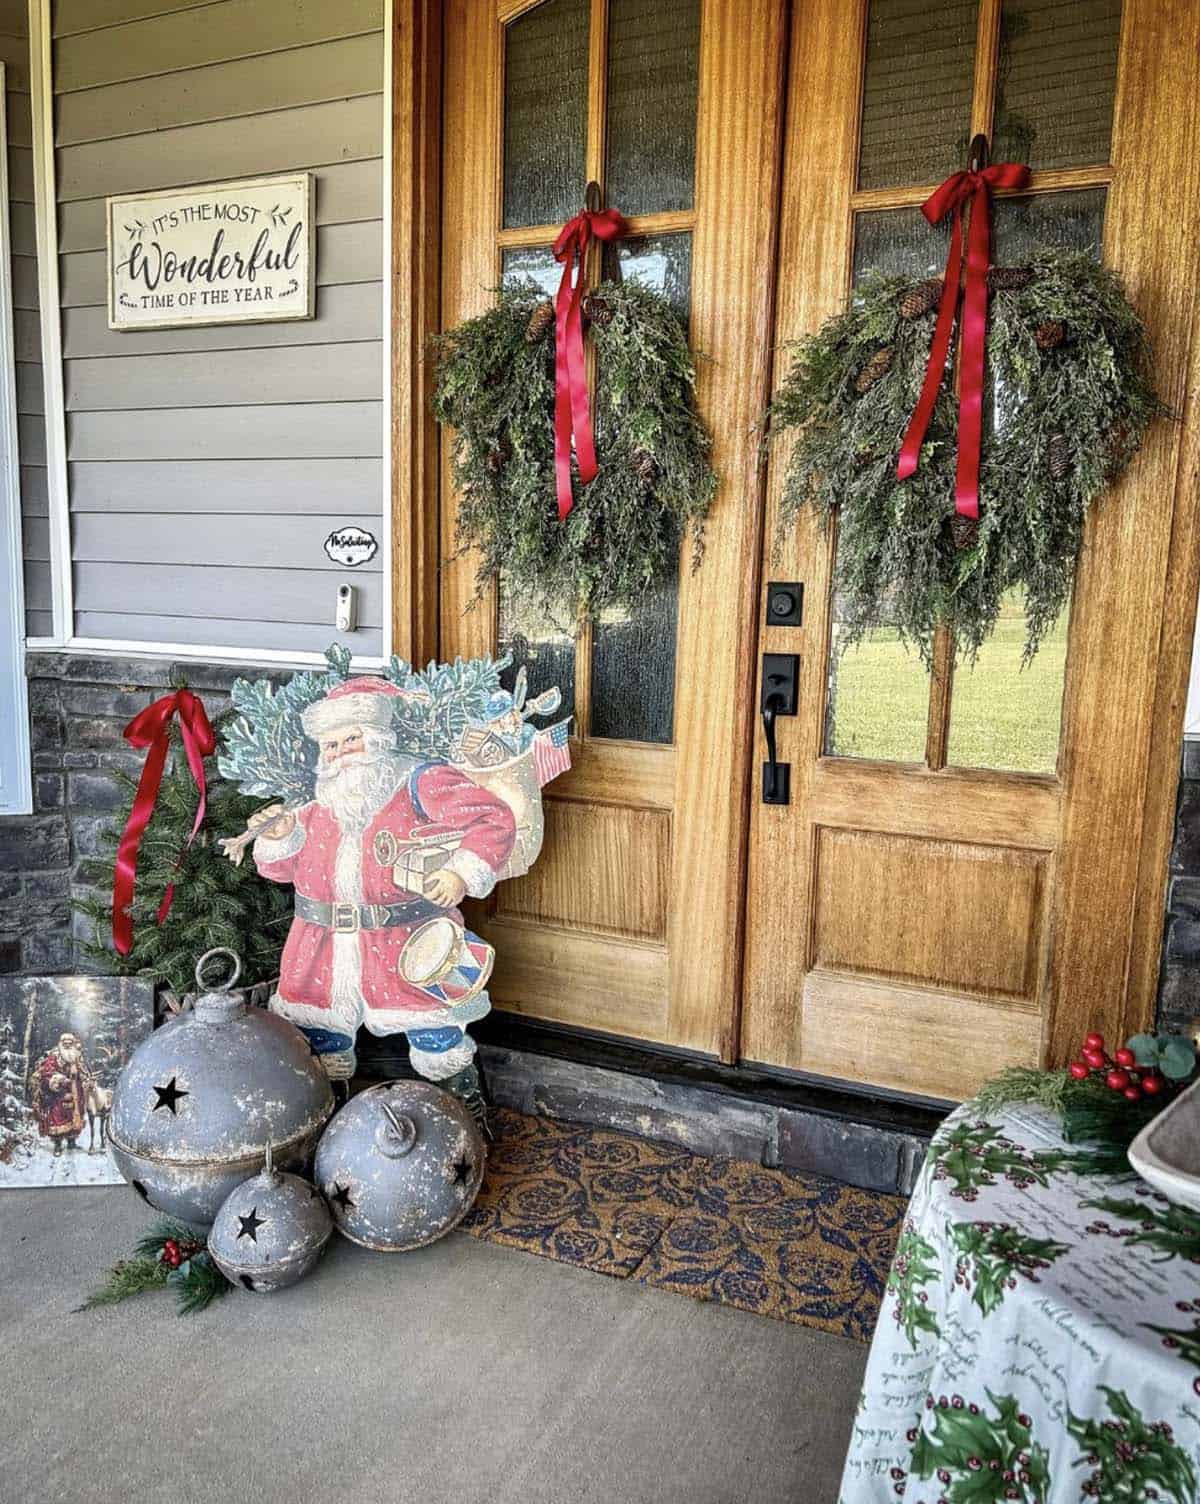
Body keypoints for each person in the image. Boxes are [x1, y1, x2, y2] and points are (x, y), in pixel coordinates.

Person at [247, 677, 516, 1122]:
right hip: (320, 949)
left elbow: (492, 819)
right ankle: (325, 1120)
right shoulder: (318, 804)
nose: (340, 755)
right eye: (331, 746)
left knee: (437, 1037)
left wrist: (459, 872)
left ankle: (463, 1118)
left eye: (350, 740)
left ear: (376, 738)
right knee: (321, 1039)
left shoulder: (418, 782)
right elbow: (279, 870)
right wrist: (280, 836)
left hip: (410, 942)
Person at [30, 1032, 91, 1155]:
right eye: (65, 1043)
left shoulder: (77, 1055)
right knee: (58, 1117)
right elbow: (48, 1071)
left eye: (70, 1043)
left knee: (75, 1115)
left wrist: (84, 1077)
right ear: (61, 1043)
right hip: (59, 1091)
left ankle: (71, 1141)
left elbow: (83, 1070)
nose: (67, 1045)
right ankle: (57, 1144)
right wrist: (61, 1080)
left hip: (75, 1090)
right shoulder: (55, 1055)